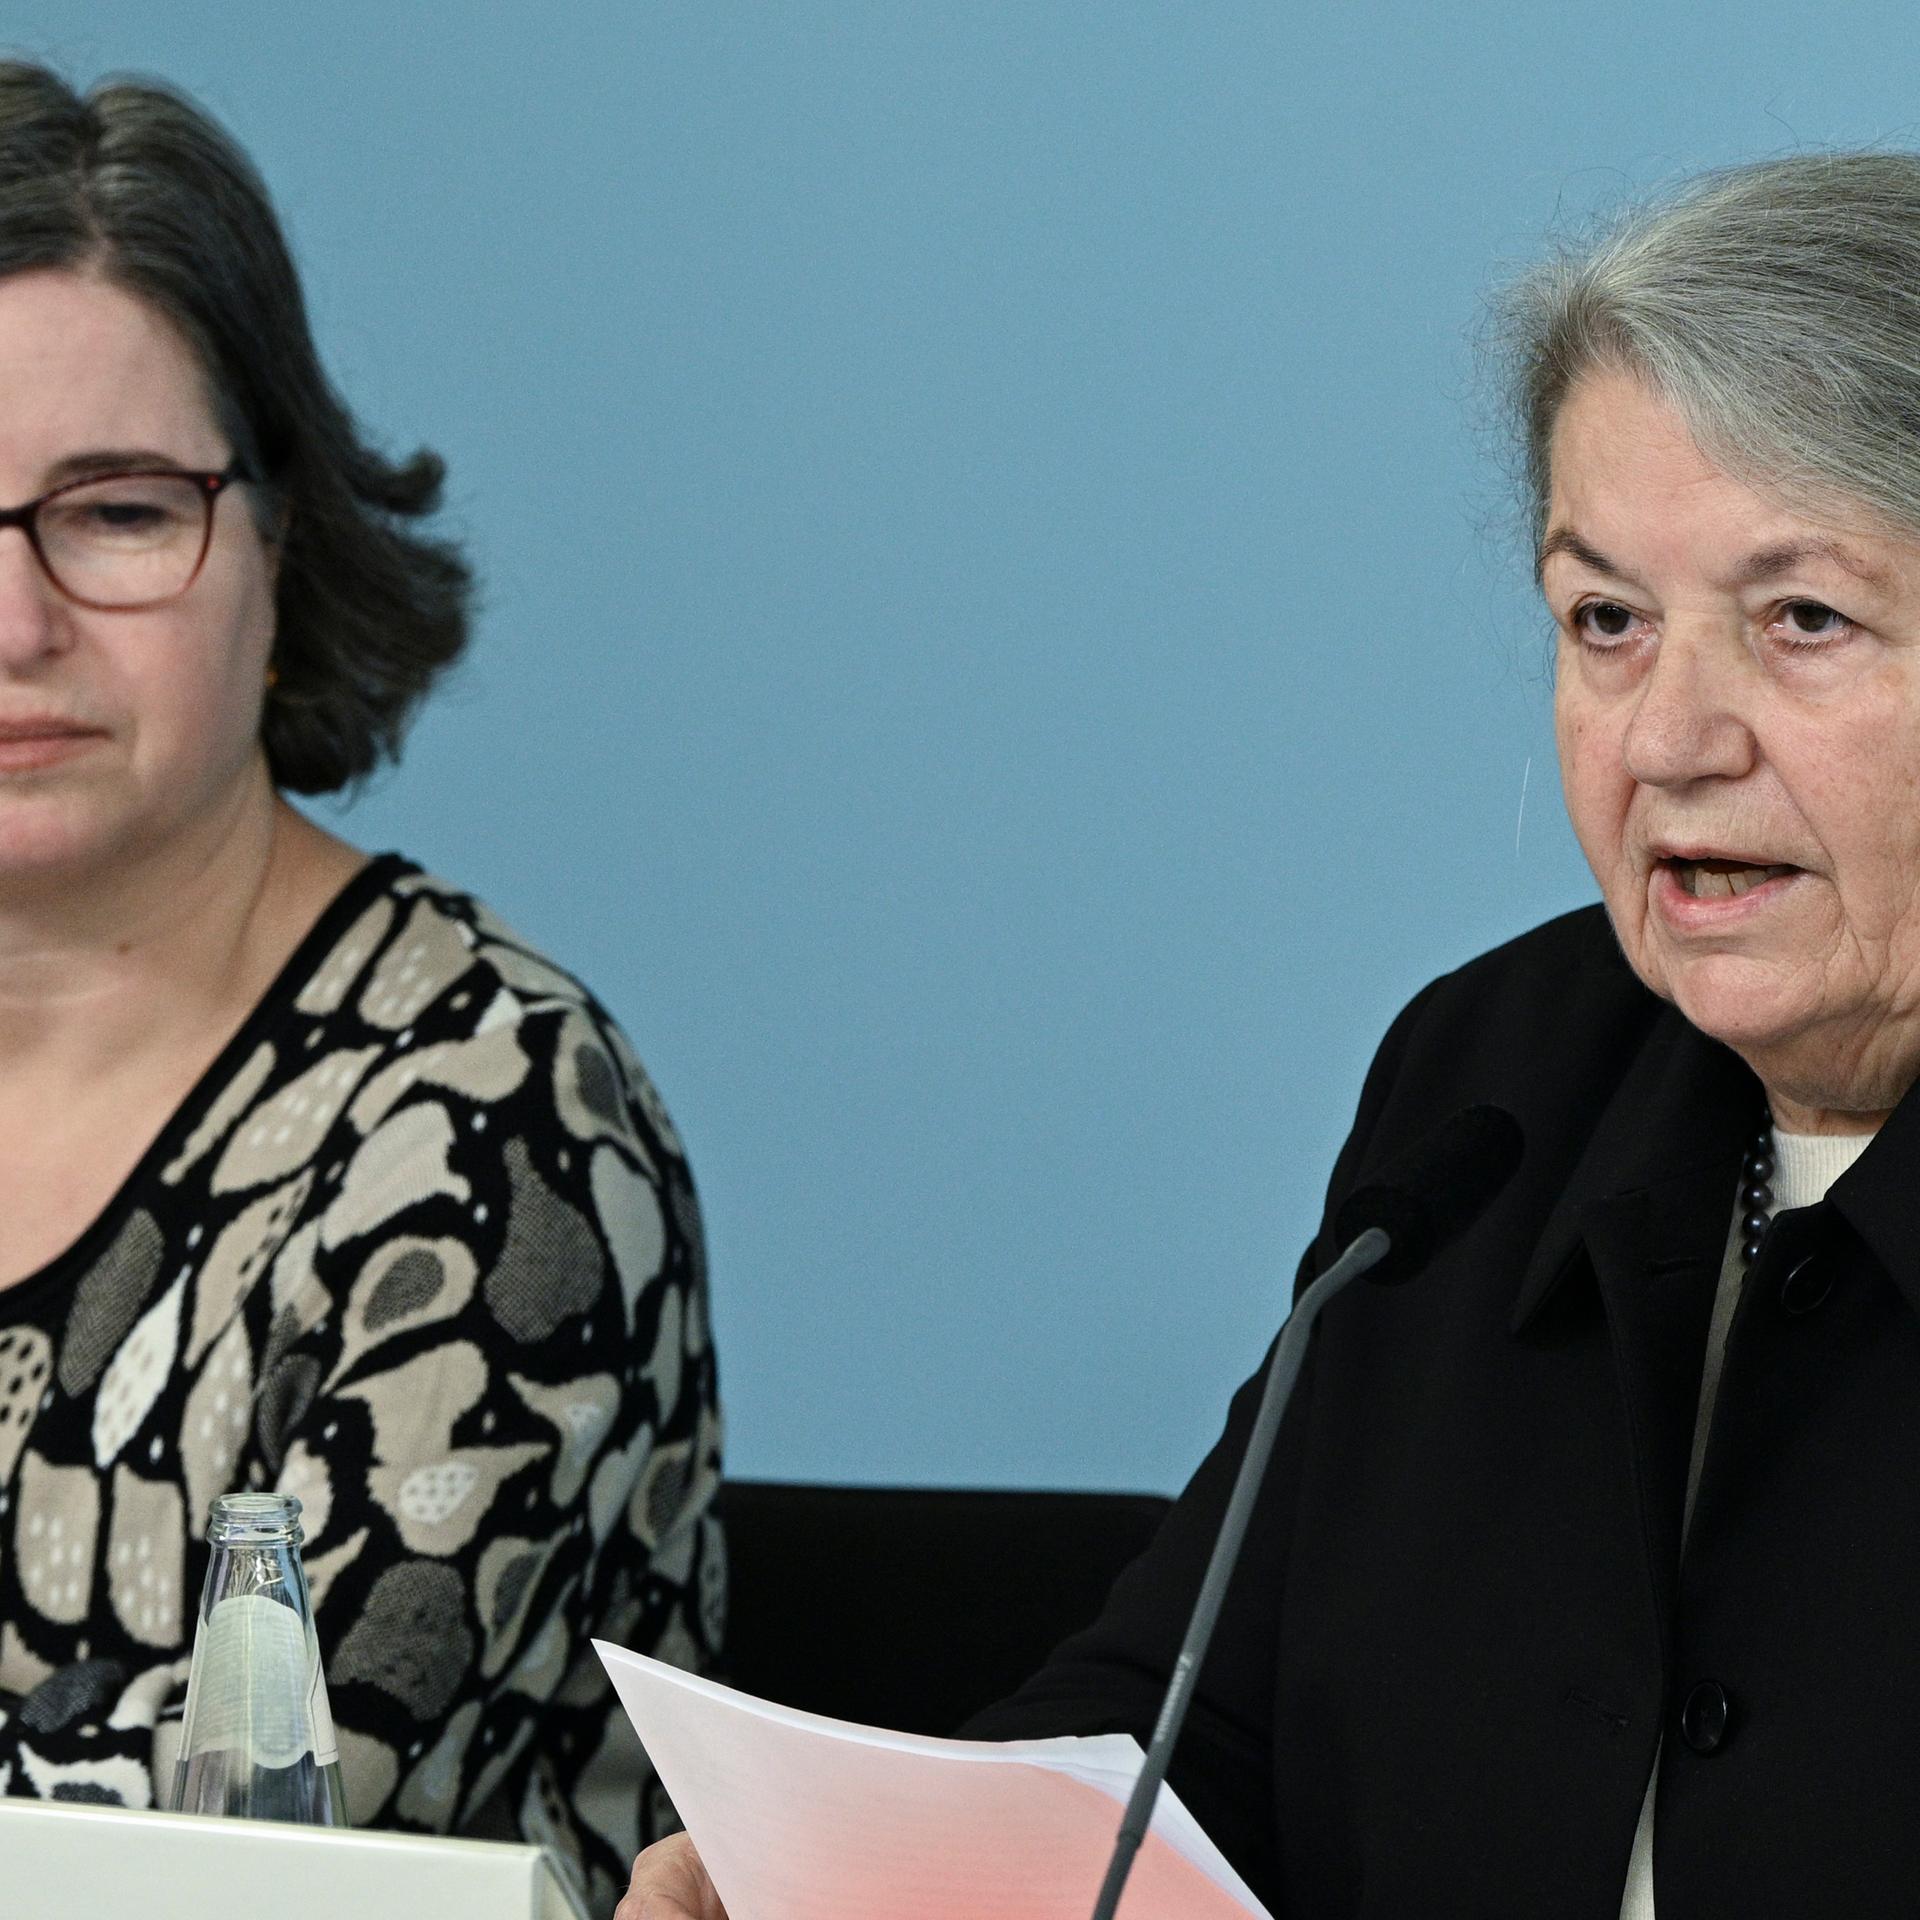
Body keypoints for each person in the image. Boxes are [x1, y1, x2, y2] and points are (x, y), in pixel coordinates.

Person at [623, 149, 1920, 1917]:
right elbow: (1186, 1740)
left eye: (1802, 620)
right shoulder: (1503, 1088)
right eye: (1605, 620)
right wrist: (854, 1885)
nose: (1670, 736)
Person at [0, 61, 720, 1913]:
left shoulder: (491, 1119)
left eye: (117, 511)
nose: (17, 625)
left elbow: (222, 1866)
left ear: (281, 533)